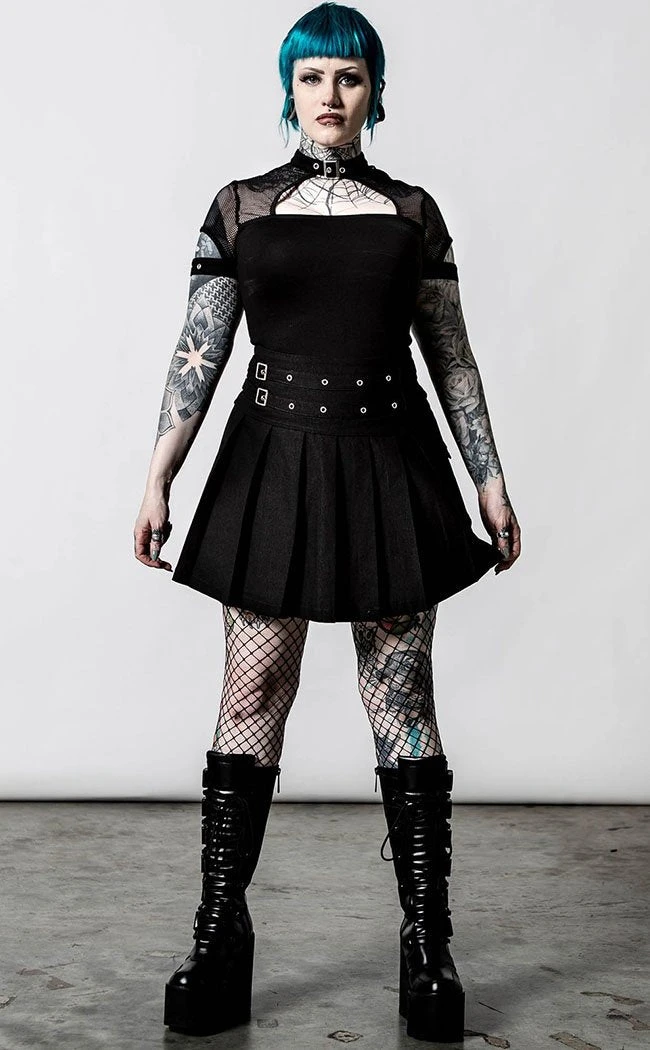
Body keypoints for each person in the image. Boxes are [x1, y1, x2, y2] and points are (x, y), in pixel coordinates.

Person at [134, 1, 521, 1041]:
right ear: (289, 88)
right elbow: (198, 350)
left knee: (400, 700)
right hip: (270, 467)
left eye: (349, 76)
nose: (330, 95)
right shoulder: (240, 207)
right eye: (312, 77)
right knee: (254, 688)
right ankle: (220, 934)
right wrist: (159, 476)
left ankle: (426, 942)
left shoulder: (411, 212)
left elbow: (453, 358)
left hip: (391, 465)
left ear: (374, 89)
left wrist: (489, 480)